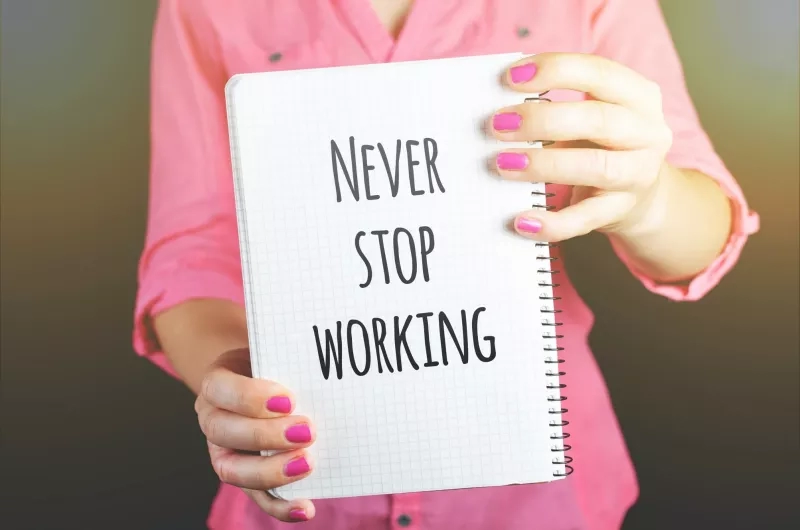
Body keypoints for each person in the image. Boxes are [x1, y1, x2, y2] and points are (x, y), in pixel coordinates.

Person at [134, 0, 760, 528]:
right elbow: (190, 248)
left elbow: (702, 229)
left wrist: (647, 196)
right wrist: (244, 400)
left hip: (543, 496)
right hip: (310, 485)